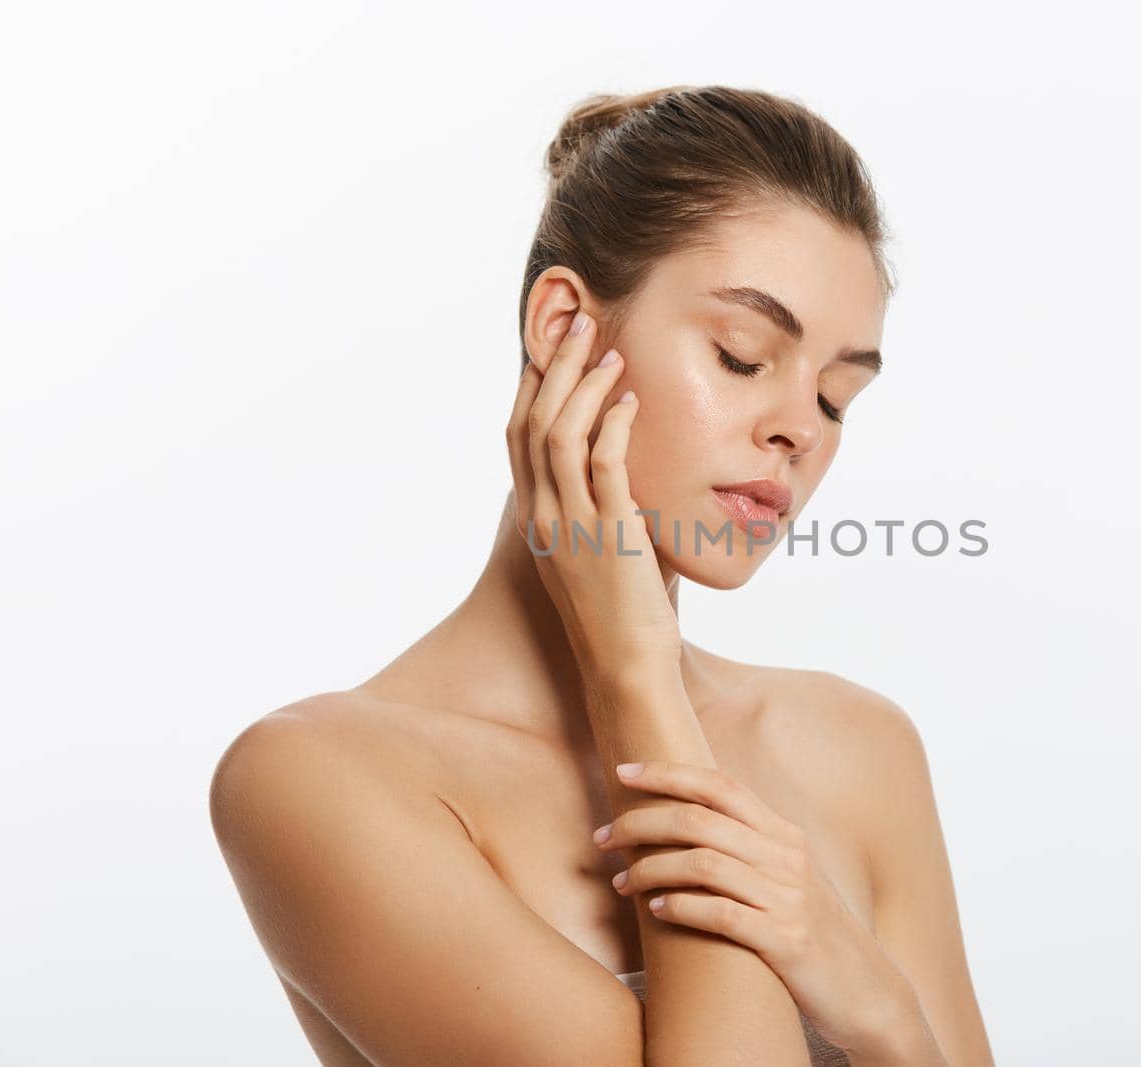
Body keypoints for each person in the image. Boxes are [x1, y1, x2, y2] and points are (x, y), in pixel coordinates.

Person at [209, 85, 995, 1066]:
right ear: (563, 327)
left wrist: (879, 1005)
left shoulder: (860, 746)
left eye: (838, 396)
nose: (799, 425)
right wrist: (633, 671)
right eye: (742, 354)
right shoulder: (321, 783)